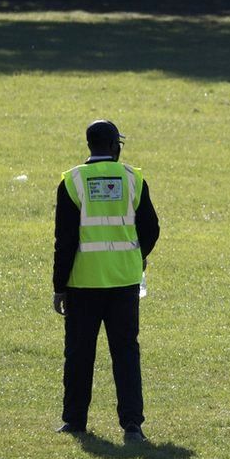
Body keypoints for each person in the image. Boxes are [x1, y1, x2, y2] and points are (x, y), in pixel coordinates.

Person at [52, 120, 160, 442]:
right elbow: (151, 229)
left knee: (79, 354)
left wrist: (59, 286)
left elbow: (65, 240)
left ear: (90, 146)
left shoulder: (72, 182)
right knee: (126, 353)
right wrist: (136, 256)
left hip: (83, 284)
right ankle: (132, 425)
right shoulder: (133, 179)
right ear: (114, 146)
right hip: (124, 282)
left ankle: (74, 421)